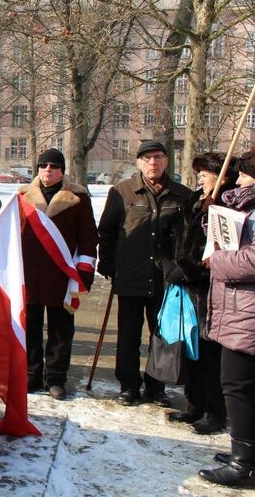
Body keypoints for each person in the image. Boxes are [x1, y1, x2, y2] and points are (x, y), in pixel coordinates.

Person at [97, 139, 192, 406]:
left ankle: (156, 386)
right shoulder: (122, 192)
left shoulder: (182, 195)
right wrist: (107, 263)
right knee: (128, 334)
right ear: (139, 162)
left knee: (161, 335)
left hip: (165, 278)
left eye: (159, 157)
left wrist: (181, 268)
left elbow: (189, 238)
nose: (154, 162)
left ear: (166, 161)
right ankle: (128, 385)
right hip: (130, 275)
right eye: (148, 158)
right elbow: (107, 231)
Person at [163, 152, 236, 435]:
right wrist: (168, 263)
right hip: (185, 289)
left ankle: (215, 413)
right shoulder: (193, 201)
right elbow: (171, 236)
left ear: (222, 177)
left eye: (206, 174)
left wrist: (189, 269)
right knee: (190, 350)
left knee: (210, 355)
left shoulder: (227, 203)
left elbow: (221, 252)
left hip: (210, 290)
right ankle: (194, 405)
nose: (201, 178)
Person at [18, 148, 98, 400]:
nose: (48, 170)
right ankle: (31, 374)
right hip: (30, 274)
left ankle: (55, 378)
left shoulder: (78, 197)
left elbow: (88, 237)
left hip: (62, 275)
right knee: (30, 328)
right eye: (43, 166)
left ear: (62, 170)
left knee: (61, 331)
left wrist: (84, 269)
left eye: (54, 166)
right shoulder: (22, 197)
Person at [198, 150, 255, 487]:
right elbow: (228, 236)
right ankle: (246, 450)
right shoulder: (244, 204)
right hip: (239, 308)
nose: (240, 177)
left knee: (238, 386)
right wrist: (213, 213)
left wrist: (215, 261)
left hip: (247, 311)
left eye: (245, 172)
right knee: (242, 385)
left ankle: (243, 462)